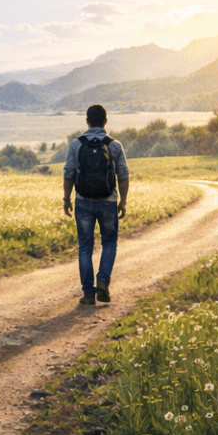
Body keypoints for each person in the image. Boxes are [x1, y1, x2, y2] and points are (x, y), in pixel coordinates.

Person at [62, 104, 130, 306]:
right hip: (108, 202)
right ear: (106, 122)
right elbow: (124, 176)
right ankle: (103, 281)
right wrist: (123, 202)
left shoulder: (77, 144)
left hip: (83, 202)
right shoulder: (114, 145)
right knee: (109, 243)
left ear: (87, 121)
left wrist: (66, 199)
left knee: (85, 247)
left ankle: (88, 294)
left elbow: (68, 173)